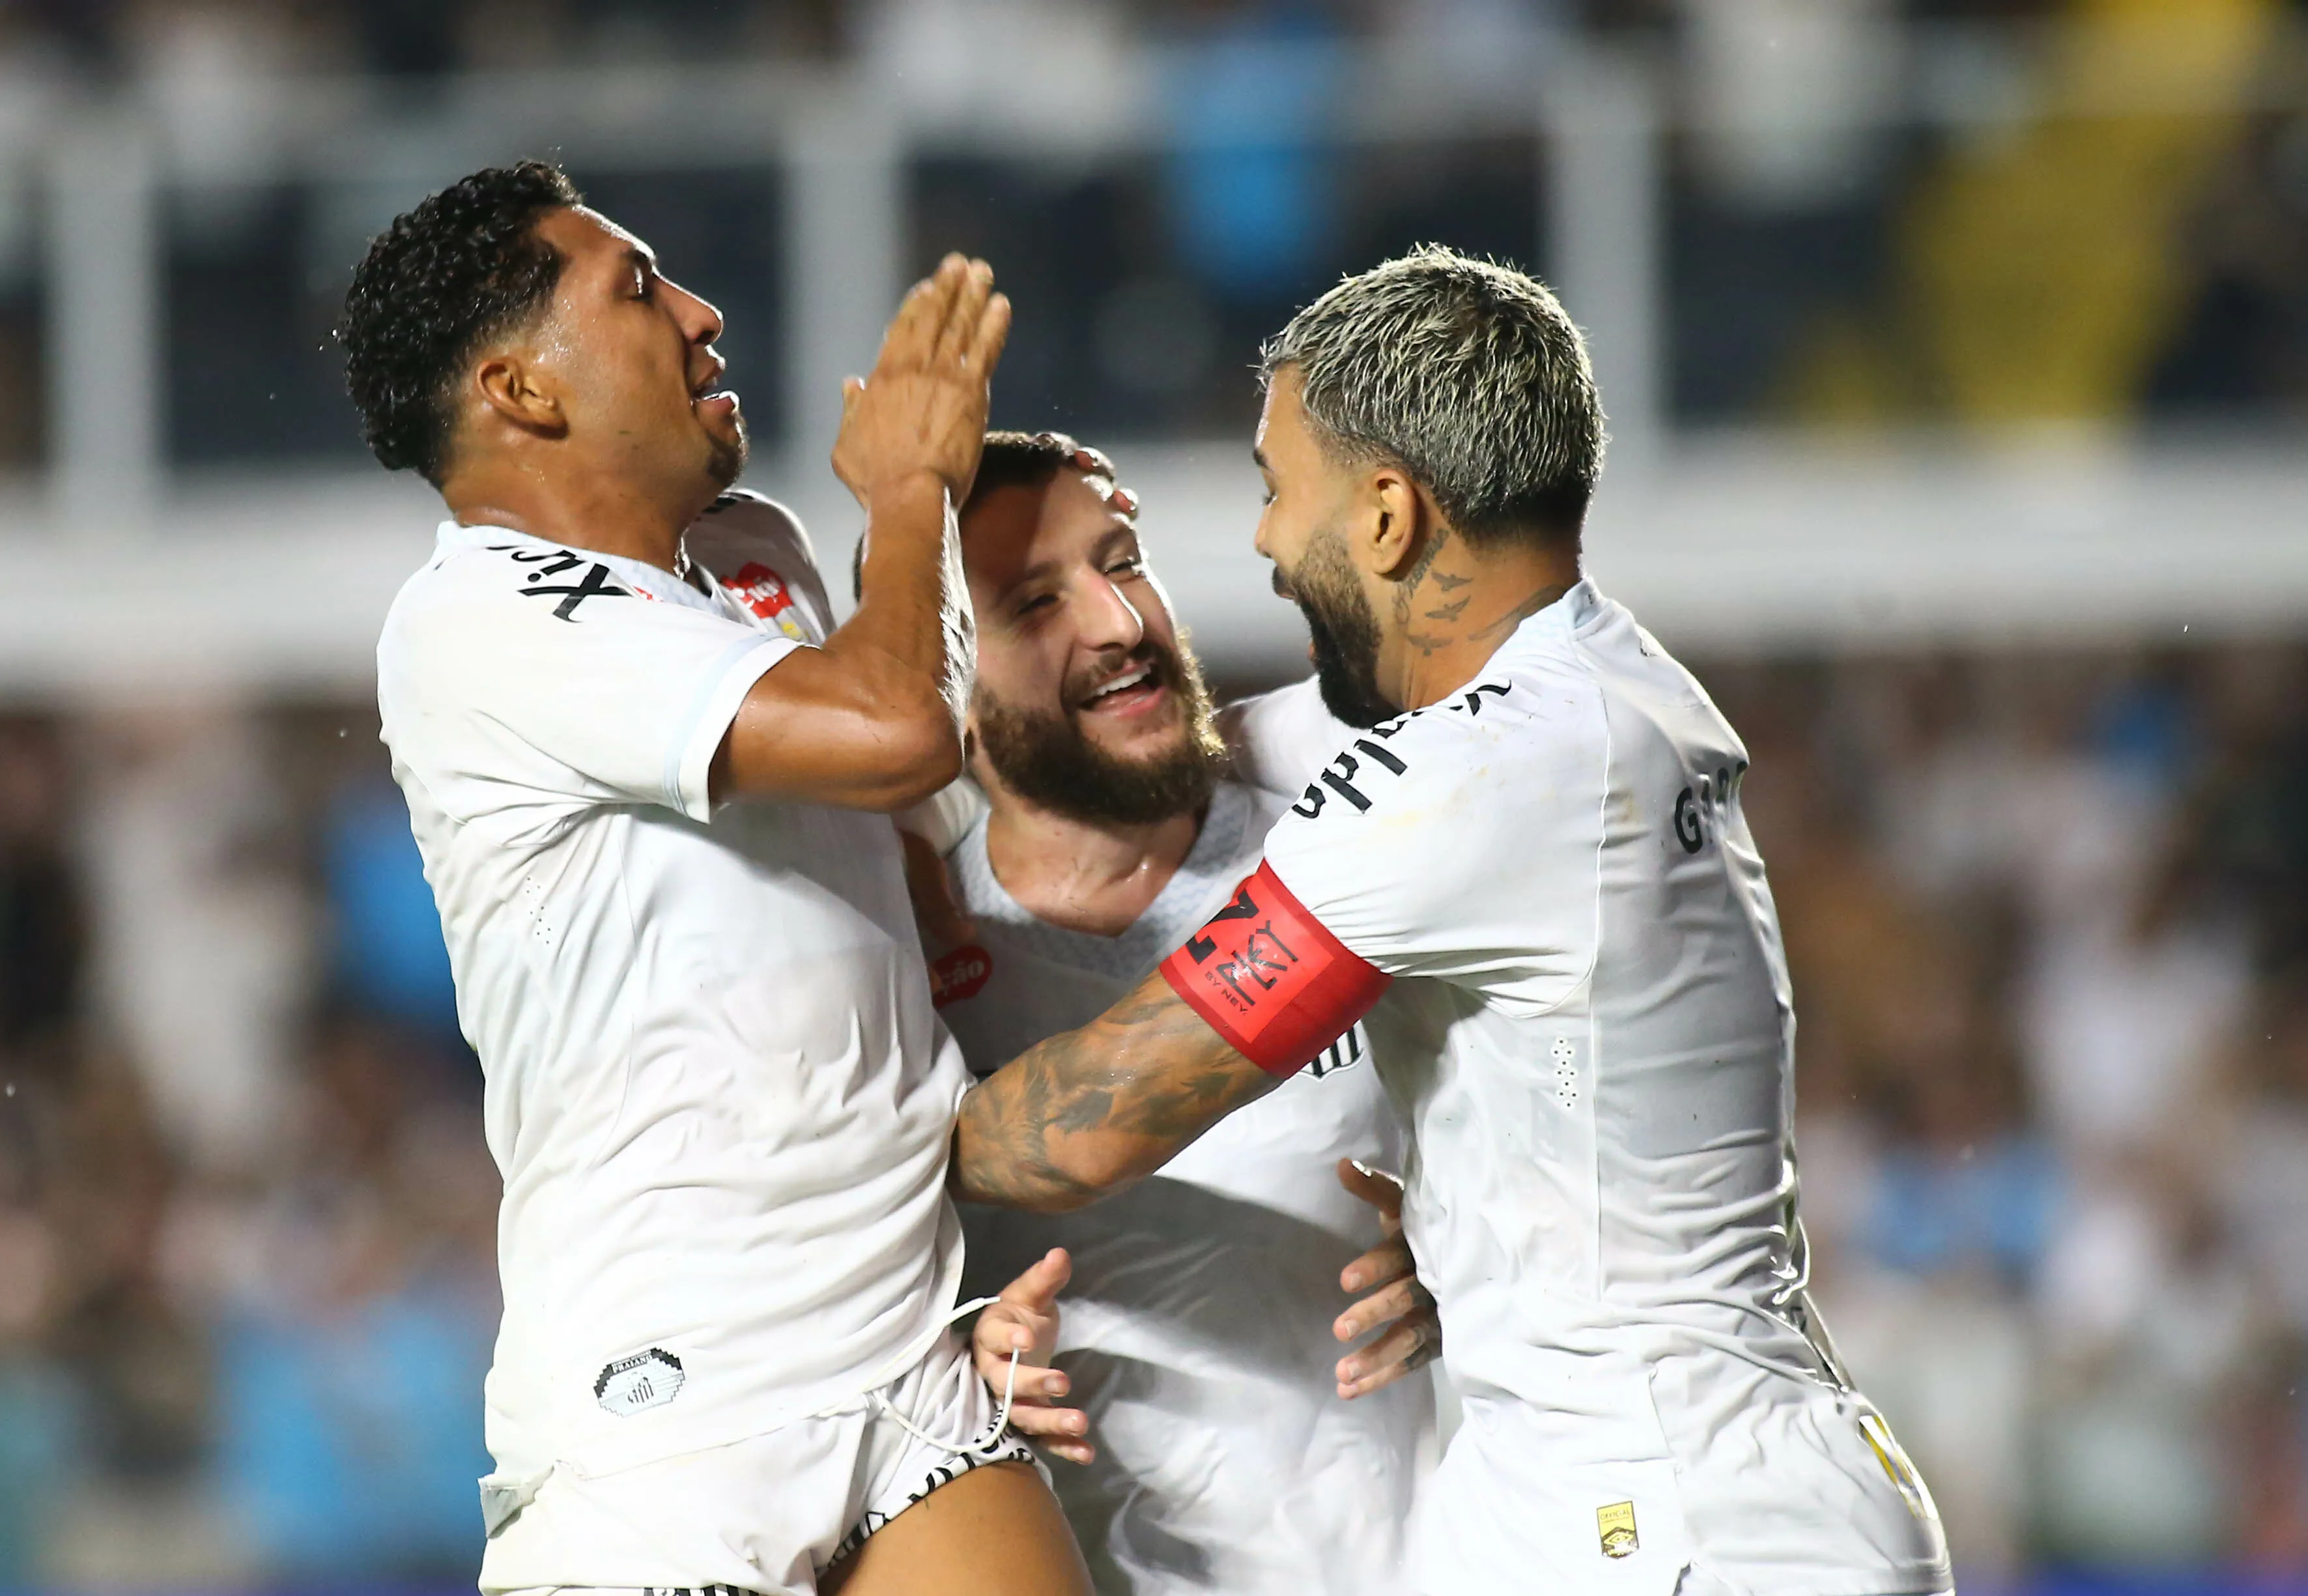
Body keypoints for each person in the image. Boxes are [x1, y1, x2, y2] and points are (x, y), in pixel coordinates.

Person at [948, 247, 1954, 1596]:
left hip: (1671, 1520)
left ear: (1384, 515)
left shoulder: (1479, 772)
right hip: (1663, 1495)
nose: (1258, 543)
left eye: (1273, 491)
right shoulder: (1603, 689)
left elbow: (1084, 1126)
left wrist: (836, 1150)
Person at [345, 160, 1091, 1596]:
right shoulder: (478, 618)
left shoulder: (756, 556)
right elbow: (890, 728)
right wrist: (915, 491)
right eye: (636, 289)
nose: (701, 312)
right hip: (669, 1412)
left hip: (900, 1354)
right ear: (524, 390)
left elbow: (916, 838)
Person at [920, 430, 1435, 1594]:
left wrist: (1481, 1233)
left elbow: (1571, 1070)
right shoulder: (909, 968)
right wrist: (957, 1349)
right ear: (936, 681)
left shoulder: (1349, 827)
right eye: (1036, 600)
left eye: (1124, 560)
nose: (1118, 622)